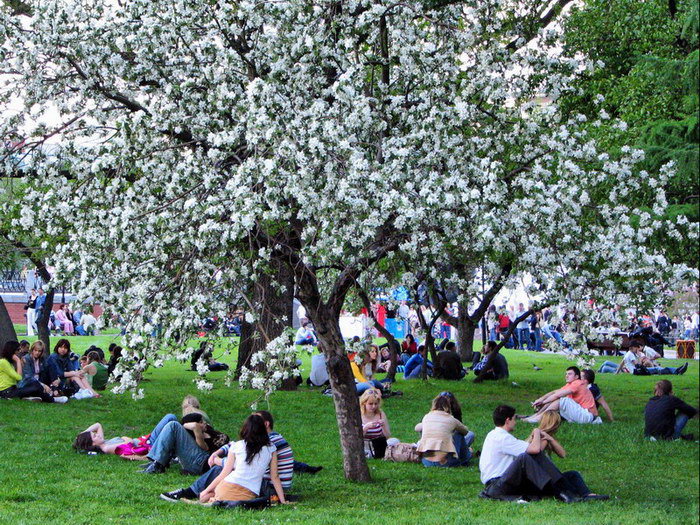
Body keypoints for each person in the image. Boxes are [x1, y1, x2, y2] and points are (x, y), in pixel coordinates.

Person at [479, 405, 608, 503]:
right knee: (525, 457)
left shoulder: (497, 436)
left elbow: (561, 454)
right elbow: (535, 450)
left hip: (506, 482)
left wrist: (548, 438)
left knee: (572, 474)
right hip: (498, 485)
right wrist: (536, 431)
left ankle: (585, 495)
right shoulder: (502, 438)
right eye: (514, 419)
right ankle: (564, 492)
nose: (515, 422)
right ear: (507, 420)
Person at [197, 414, 288, 505]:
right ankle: (214, 500)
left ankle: (211, 499)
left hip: (225, 486)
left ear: (245, 429)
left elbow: (224, 473)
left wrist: (206, 491)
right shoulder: (271, 449)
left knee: (212, 496)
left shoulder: (237, 446)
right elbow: (275, 476)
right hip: (248, 494)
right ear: (263, 429)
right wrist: (283, 500)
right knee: (224, 500)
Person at [142, 412, 227, 474]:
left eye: (203, 421)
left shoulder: (209, 431)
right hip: (199, 460)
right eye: (200, 422)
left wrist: (196, 427)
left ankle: (157, 464)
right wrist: (193, 427)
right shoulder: (192, 436)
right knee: (172, 423)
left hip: (203, 462)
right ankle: (157, 463)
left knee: (173, 425)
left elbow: (207, 447)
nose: (204, 423)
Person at [521, 367, 601, 424]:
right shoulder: (570, 384)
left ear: (576, 377)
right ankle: (532, 417)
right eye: (566, 374)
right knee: (557, 400)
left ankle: (536, 419)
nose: (566, 376)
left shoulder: (578, 383)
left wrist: (542, 402)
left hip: (588, 417)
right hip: (582, 415)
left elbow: (557, 395)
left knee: (562, 400)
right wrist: (541, 399)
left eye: (569, 374)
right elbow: (554, 392)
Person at [415, 392, 474, 467]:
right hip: (445, 462)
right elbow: (465, 432)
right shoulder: (451, 419)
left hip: (426, 461)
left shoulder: (426, 417)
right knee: (460, 434)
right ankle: (466, 456)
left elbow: (416, 428)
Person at [0, 340, 67, 403]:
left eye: (39, 351)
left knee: (48, 371)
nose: (20, 351)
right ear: (11, 351)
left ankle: (51, 391)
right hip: (7, 391)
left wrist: (55, 378)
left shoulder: (9, 363)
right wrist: (18, 360)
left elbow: (48, 369)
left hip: (13, 389)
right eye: (18, 350)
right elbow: (20, 377)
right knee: (37, 386)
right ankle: (53, 399)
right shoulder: (4, 362)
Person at [360, 389, 395, 459]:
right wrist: (366, 427)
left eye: (375, 404)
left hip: (379, 444)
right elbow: (357, 438)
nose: (373, 406)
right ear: (364, 403)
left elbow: (388, 435)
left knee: (394, 441)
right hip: (365, 445)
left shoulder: (381, 414)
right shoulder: (359, 415)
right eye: (370, 404)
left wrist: (383, 426)